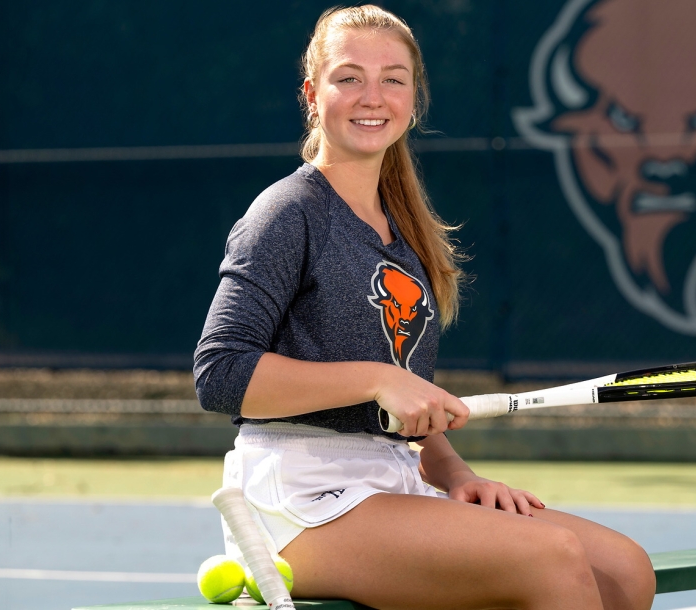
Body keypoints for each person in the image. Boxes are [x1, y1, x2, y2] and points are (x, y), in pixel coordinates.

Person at [193, 6, 655, 610]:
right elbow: (221, 374)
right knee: (552, 558)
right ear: (312, 95)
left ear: (414, 98)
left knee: (626, 571)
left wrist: (455, 474)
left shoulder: (403, 232)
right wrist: (380, 379)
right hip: (295, 499)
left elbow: (406, 412)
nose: (372, 96)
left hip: (392, 478)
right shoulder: (287, 213)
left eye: (393, 78)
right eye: (349, 77)